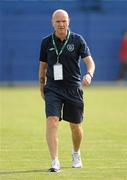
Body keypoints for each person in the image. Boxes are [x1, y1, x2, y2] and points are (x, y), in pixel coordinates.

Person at [39, 9, 95, 172]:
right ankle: (54, 161)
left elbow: (90, 62)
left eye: (64, 21)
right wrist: (41, 86)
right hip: (53, 88)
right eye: (58, 21)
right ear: (52, 22)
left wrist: (89, 74)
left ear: (68, 21)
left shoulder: (78, 40)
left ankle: (76, 153)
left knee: (75, 126)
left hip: (73, 87)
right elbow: (42, 67)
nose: (61, 24)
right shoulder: (46, 42)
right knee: (52, 120)